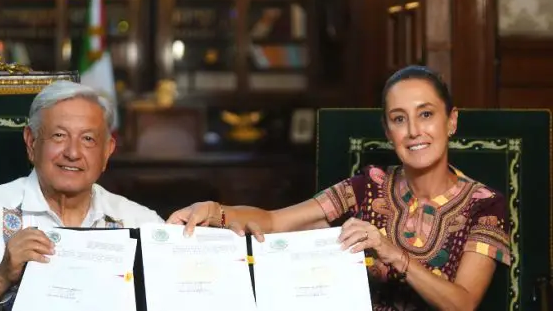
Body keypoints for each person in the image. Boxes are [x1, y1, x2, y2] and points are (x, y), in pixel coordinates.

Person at [167, 65, 510, 311]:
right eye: (399, 119)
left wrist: (393, 254)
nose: (414, 131)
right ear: (388, 131)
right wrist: (215, 211)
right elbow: (274, 222)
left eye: (426, 115)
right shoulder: (369, 186)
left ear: (451, 121)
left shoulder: (484, 205)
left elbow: (463, 303)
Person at [0, 80, 163, 311]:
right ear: (31, 142)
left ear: (107, 151)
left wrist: (198, 236)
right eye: (59, 135)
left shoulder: (140, 222)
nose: (72, 153)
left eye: (88, 139)